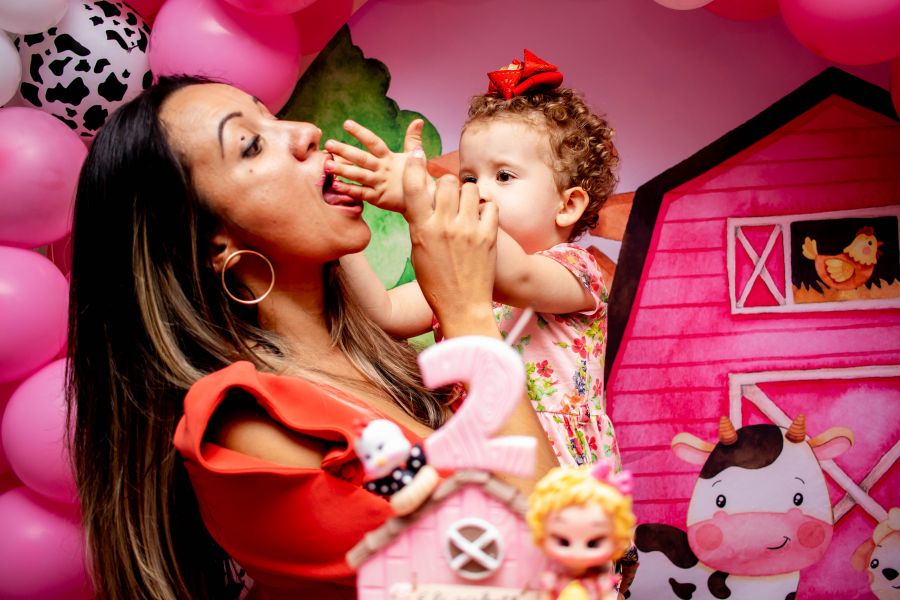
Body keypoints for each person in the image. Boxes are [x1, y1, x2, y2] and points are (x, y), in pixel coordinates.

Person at [65, 75, 556, 600]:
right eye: (251, 143)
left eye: (273, 117)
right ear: (213, 244)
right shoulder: (242, 426)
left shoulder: (386, 364)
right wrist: (467, 313)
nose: (304, 133)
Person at [325, 49, 621, 468]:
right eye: (468, 177)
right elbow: (385, 312)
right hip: (478, 462)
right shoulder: (454, 276)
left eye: (503, 176)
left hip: (559, 475)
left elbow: (515, 274)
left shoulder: (575, 270)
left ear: (567, 205)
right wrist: (337, 225)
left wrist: (422, 196)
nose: (476, 191)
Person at [526, 461, 636, 600]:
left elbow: (632, 560)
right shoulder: (550, 576)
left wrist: (621, 591)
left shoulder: (599, 584)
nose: (577, 553)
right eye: (563, 541)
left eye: (593, 543)